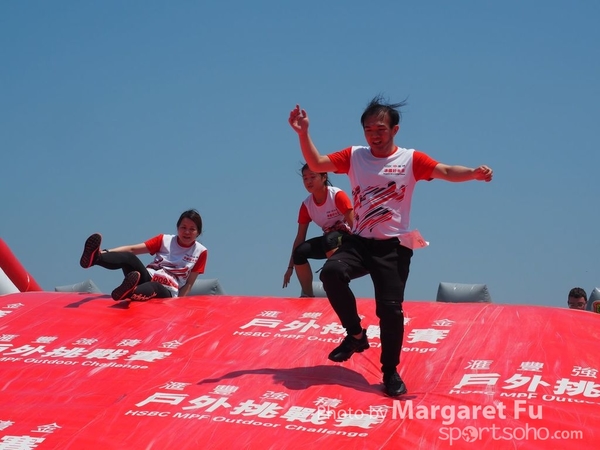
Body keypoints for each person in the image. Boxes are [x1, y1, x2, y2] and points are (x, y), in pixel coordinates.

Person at [288, 96, 493, 397]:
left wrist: (473, 173)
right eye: (369, 129)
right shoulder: (355, 156)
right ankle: (356, 335)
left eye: (381, 129)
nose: (374, 135)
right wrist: (303, 133)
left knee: (390, 310)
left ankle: (390, 371)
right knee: (331, 272)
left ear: (395, 130)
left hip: (393, 248)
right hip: (359, 242)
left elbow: (447, 171)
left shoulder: (410, 160)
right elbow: (318, 163)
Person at [79, 209, 207, 301]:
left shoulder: (200, 251)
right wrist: (106, 252)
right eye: (183, 227)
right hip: (148, 275)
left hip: (167, 290)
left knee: (154, 287)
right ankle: (96, 258)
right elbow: (132, 249)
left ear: (198, 232)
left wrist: (178, 302)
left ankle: (130, 292)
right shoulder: (164, 240)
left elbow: (189, 283)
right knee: (129, 257)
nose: (187, 232)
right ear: (177, 228)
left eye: (192, 229)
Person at [283, 163, 354, 297]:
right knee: (299, 252)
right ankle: (308, 295)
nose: (308, 181)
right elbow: (300, 237)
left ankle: (339, 283)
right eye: (305, 178)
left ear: (324, 177)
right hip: (329, 241)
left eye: (312, 177)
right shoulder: (307, 205)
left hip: (348, 239)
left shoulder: (337, 195)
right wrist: (290, 267)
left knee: (329, 240)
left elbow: (356, 225)